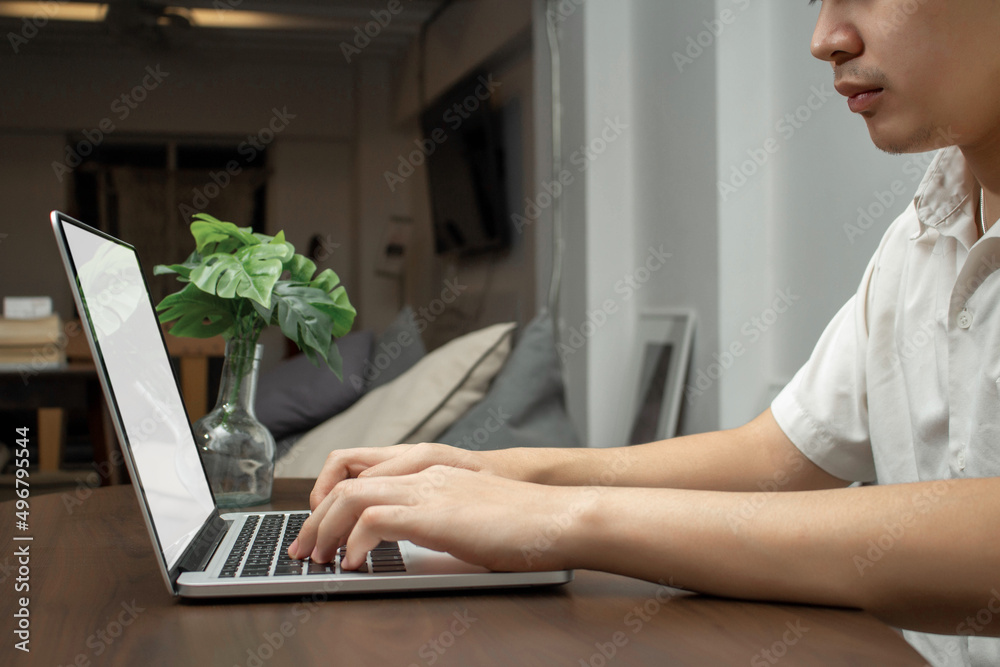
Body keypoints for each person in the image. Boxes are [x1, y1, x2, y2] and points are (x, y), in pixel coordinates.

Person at [289, 2, 1000, 665]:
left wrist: (561, 517)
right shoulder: (917, 239)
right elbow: (777, 455)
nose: (825, 39)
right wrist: (500, 472)